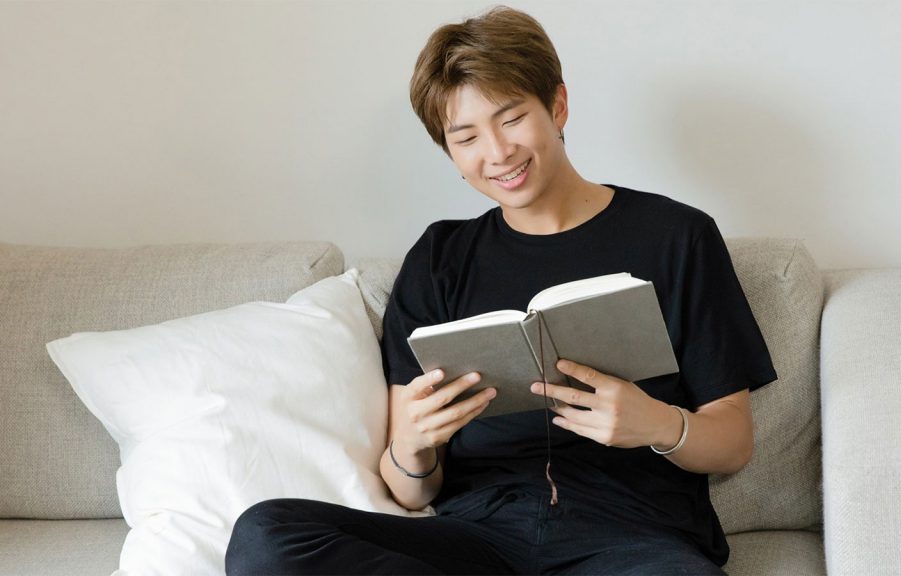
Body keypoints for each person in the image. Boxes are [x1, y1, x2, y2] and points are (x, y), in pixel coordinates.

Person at [225, 5, 777, 575]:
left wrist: (658, 423)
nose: (497, 153)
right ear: (451, 153)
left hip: (632, 539)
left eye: (511, 118)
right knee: (268, 535)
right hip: (478, 540)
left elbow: (733, 441)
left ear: (557, 105)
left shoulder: (676, 236)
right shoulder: (439, 259)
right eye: (465, 137)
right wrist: (412, 446)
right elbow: (411, 492)